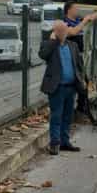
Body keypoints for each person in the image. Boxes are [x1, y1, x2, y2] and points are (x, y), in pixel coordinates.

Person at [39, 20, 85, 154]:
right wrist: (53, 41)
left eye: (65, 30)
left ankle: (65, 142)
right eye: (61, 30)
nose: (65, 32)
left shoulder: (73, 45)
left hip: (71, 87)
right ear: (55, 32)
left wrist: (81, 79)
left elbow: (79, 65)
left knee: (68, 116)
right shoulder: (49, 45)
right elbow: (43, 55)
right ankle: (55, 143)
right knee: (56, 116)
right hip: (57, 88)